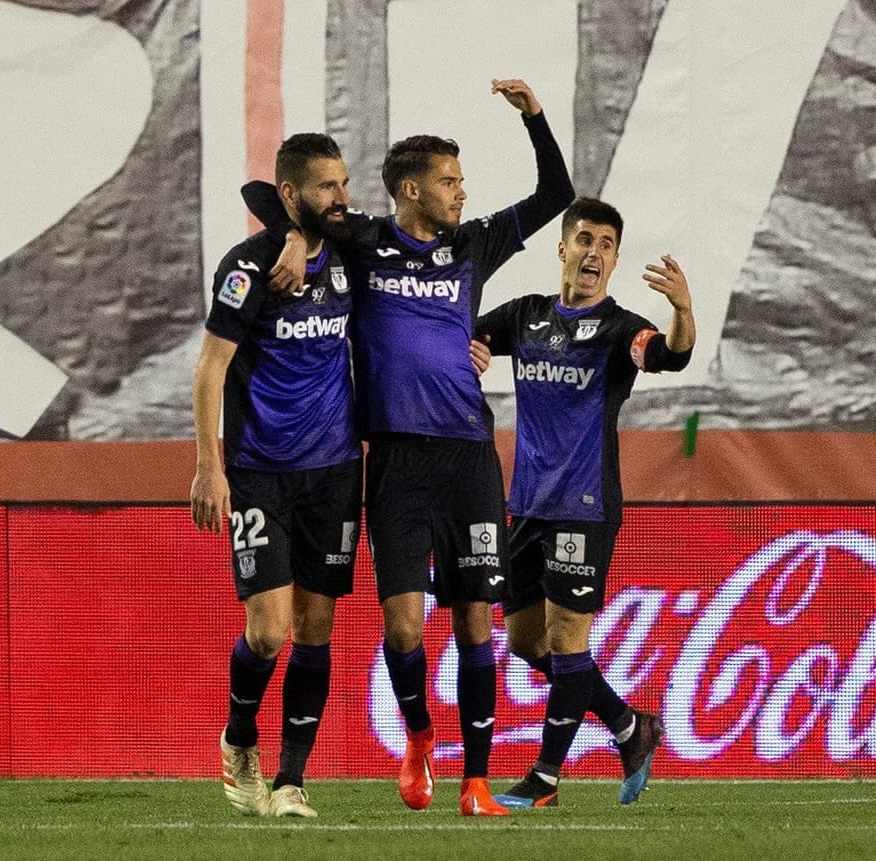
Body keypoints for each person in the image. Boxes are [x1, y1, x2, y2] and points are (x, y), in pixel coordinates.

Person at [245, 79, 574, 816]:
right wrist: (299, 237)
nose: (461, 193)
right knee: (401, 624)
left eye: (462, 182)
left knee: (476, 622)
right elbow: (272, 198)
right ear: (409, 189)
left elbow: (557, 191)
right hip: (394, 459)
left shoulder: (472, 244)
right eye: (449, 182)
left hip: (468, 458)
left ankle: (478, 781)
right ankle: (420, 734)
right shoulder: (363, 242)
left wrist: (535, 117)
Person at [473, 197, 695, 808]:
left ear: (615, 260)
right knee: (524, 644)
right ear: (563, 248)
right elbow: (460, 333)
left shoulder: (620, 328)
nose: (594, 252)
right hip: (528, 503)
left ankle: (544, 776)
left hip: (585, 504)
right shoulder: (525, 317)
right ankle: (631, 726)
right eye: (585, 239)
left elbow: (669, 355)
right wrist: (472, 351)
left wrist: (682, 310)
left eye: (606, 244)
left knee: (568, 640)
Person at [190, 132, 360, 819]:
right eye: (327, 186)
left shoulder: (351, 248)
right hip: (260, 471)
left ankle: (291, 781)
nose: (342, 198)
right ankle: (238, 740)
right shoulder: (247, 267)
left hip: (337, 471)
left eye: (344, 183)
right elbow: (211, 368)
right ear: (292, 194)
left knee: (316, 628)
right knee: (269, 632)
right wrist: (211, 465)